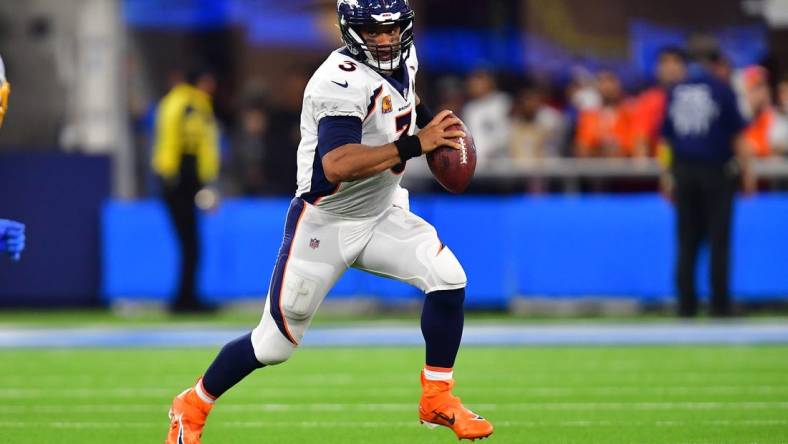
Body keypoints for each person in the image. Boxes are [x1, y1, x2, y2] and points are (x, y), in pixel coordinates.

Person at [163, 1, 493, 443]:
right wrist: (417, 145)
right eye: (372, 32)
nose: (384, 40)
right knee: (273, 345)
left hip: (382, 211)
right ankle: (193, 404)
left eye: (392, 29)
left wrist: (437, 126)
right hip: (326, 223)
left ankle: (437, 397)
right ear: (349, 31)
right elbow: (337, 164)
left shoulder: (405, 58)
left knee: (449, 279)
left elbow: (408, 100)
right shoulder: (337, 82)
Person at [660, 48, 755, 318]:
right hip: (716, 173)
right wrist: (747, 174)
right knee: (718, 240)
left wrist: (667, 175)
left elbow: (666, 140)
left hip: (683, 172)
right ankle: (719, 305)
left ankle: (686, 305)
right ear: (719, 65)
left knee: (687, 240)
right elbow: (738, 138)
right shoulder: (722, 90)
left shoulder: (676, 91)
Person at [151, 65, 220, 313]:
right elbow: (190, 147)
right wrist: (201, 185)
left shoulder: (173, 102)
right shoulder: (191, 105)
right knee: (191, 243)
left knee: (189, 243)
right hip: (181, 181)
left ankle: (186, 296)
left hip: (174, 180)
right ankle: (184, 299)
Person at [633, 47, 688, 158]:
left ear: (685, 68)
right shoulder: (648, 100)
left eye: (676, 61)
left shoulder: (695, 97)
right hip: (658, 167)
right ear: (656, 69)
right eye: (664, 62)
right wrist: (643, 172)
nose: (670, 68)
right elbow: (641, 140)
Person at [575, 70, 638, 158]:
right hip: (595, 168)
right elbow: (582, 149)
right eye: (601, 81)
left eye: (610, 81)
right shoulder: (588, 116)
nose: (606, 86)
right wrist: (601, 150)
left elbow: (633, 147)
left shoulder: (631, 113)